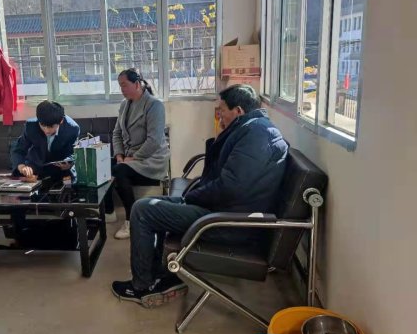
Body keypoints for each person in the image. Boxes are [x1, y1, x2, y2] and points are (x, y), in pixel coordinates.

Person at [111, 84, 289, 307]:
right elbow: (230, 183)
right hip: (224, 211)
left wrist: (193, 196)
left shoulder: (256, 135)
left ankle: (142, 286)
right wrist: (193, 195)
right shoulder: (255, 130)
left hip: (228, 223)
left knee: (142, 210)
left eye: (221, 110)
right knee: (149, 205)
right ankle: (160, 277)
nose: (219, 115)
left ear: (238, 111)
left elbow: (229, 187)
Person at [106, 68, 170, 240]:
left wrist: (132, 158)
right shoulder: (124, 105)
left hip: (150, 159)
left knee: (119, 171)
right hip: (129, 157)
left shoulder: (154, 105)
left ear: (136, 84)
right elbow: (116, 133)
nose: (122, 89)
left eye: (124, 85)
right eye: (120, 85)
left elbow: (154, 141)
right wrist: (119, 155)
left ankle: (132, 220)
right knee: (103, 166)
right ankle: (108, 211)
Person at [10, 101, 80, 181]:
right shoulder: (30, 126)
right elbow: (18, 150)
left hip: (61, 171)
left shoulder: (72, 129)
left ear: (61, 121)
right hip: (35, 169)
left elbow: (74, 153)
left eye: (51, 127)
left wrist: (69, 164)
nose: (47, 130)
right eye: (43, 125)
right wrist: (21, 166)